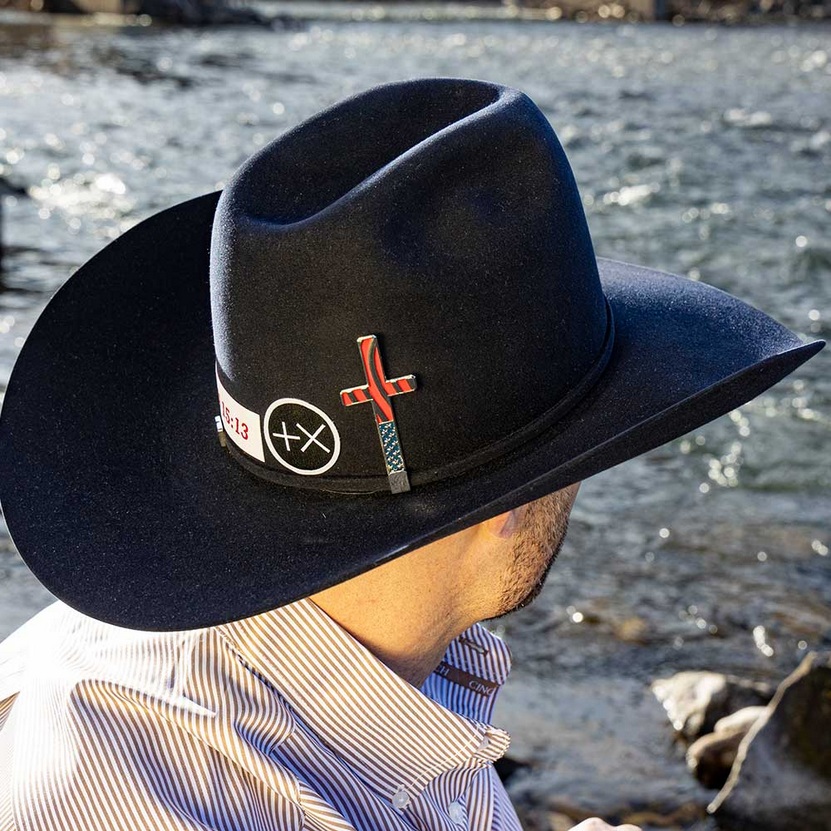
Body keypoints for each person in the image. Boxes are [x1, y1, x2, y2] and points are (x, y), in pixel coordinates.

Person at [0, 76, 824, 830]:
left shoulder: (348, 657)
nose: (589, 475)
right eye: (588, 442)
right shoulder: (133, 795)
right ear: (505, 505)